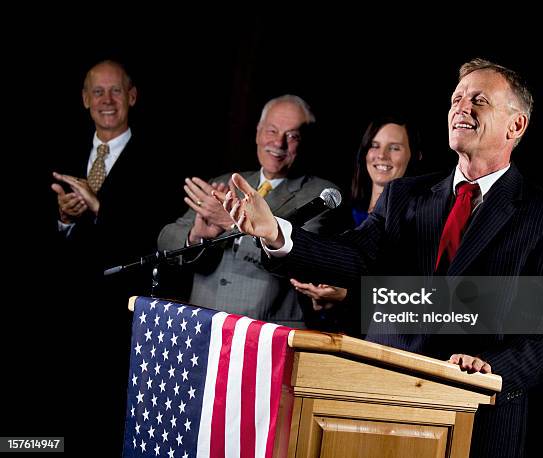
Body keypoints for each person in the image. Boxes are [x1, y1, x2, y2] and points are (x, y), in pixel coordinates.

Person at [217, 59, 543, 457]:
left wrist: (492, 370)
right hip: (378, 411)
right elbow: (353, 256)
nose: (462, 108)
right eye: (457, 98)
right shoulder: (403, 196)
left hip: (477, 425)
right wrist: (275, 233)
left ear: (516, 126)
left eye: (479, 100)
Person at [50, 59, 182, 455]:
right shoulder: (61, 152)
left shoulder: (162, 160)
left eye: (116, 91)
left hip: (117, 326)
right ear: (84, 99)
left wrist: (100, 209)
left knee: (101, 430)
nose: (107, 100)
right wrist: (62, 219)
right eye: (97, 91)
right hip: (61, 321)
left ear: (132, 96)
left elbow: (161, 237)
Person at [158, 94, 342, 327]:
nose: (278, 143)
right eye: (272, 131)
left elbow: (303, 264)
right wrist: (195, 236)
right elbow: (166, 239)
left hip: (266, 334)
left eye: (292, 136)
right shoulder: (226, 182)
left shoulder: (320, 194)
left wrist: (233, 223)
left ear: (304, 142)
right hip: (204, 324)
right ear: (257, 132)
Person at [290, 116, 421, 333]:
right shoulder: (338, 216)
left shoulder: (420, 224)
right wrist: (315, 294)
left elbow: (418, 304)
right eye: (375, 146)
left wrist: (347, 297)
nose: (381, 155)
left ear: (415, 156)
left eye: (394, 148)